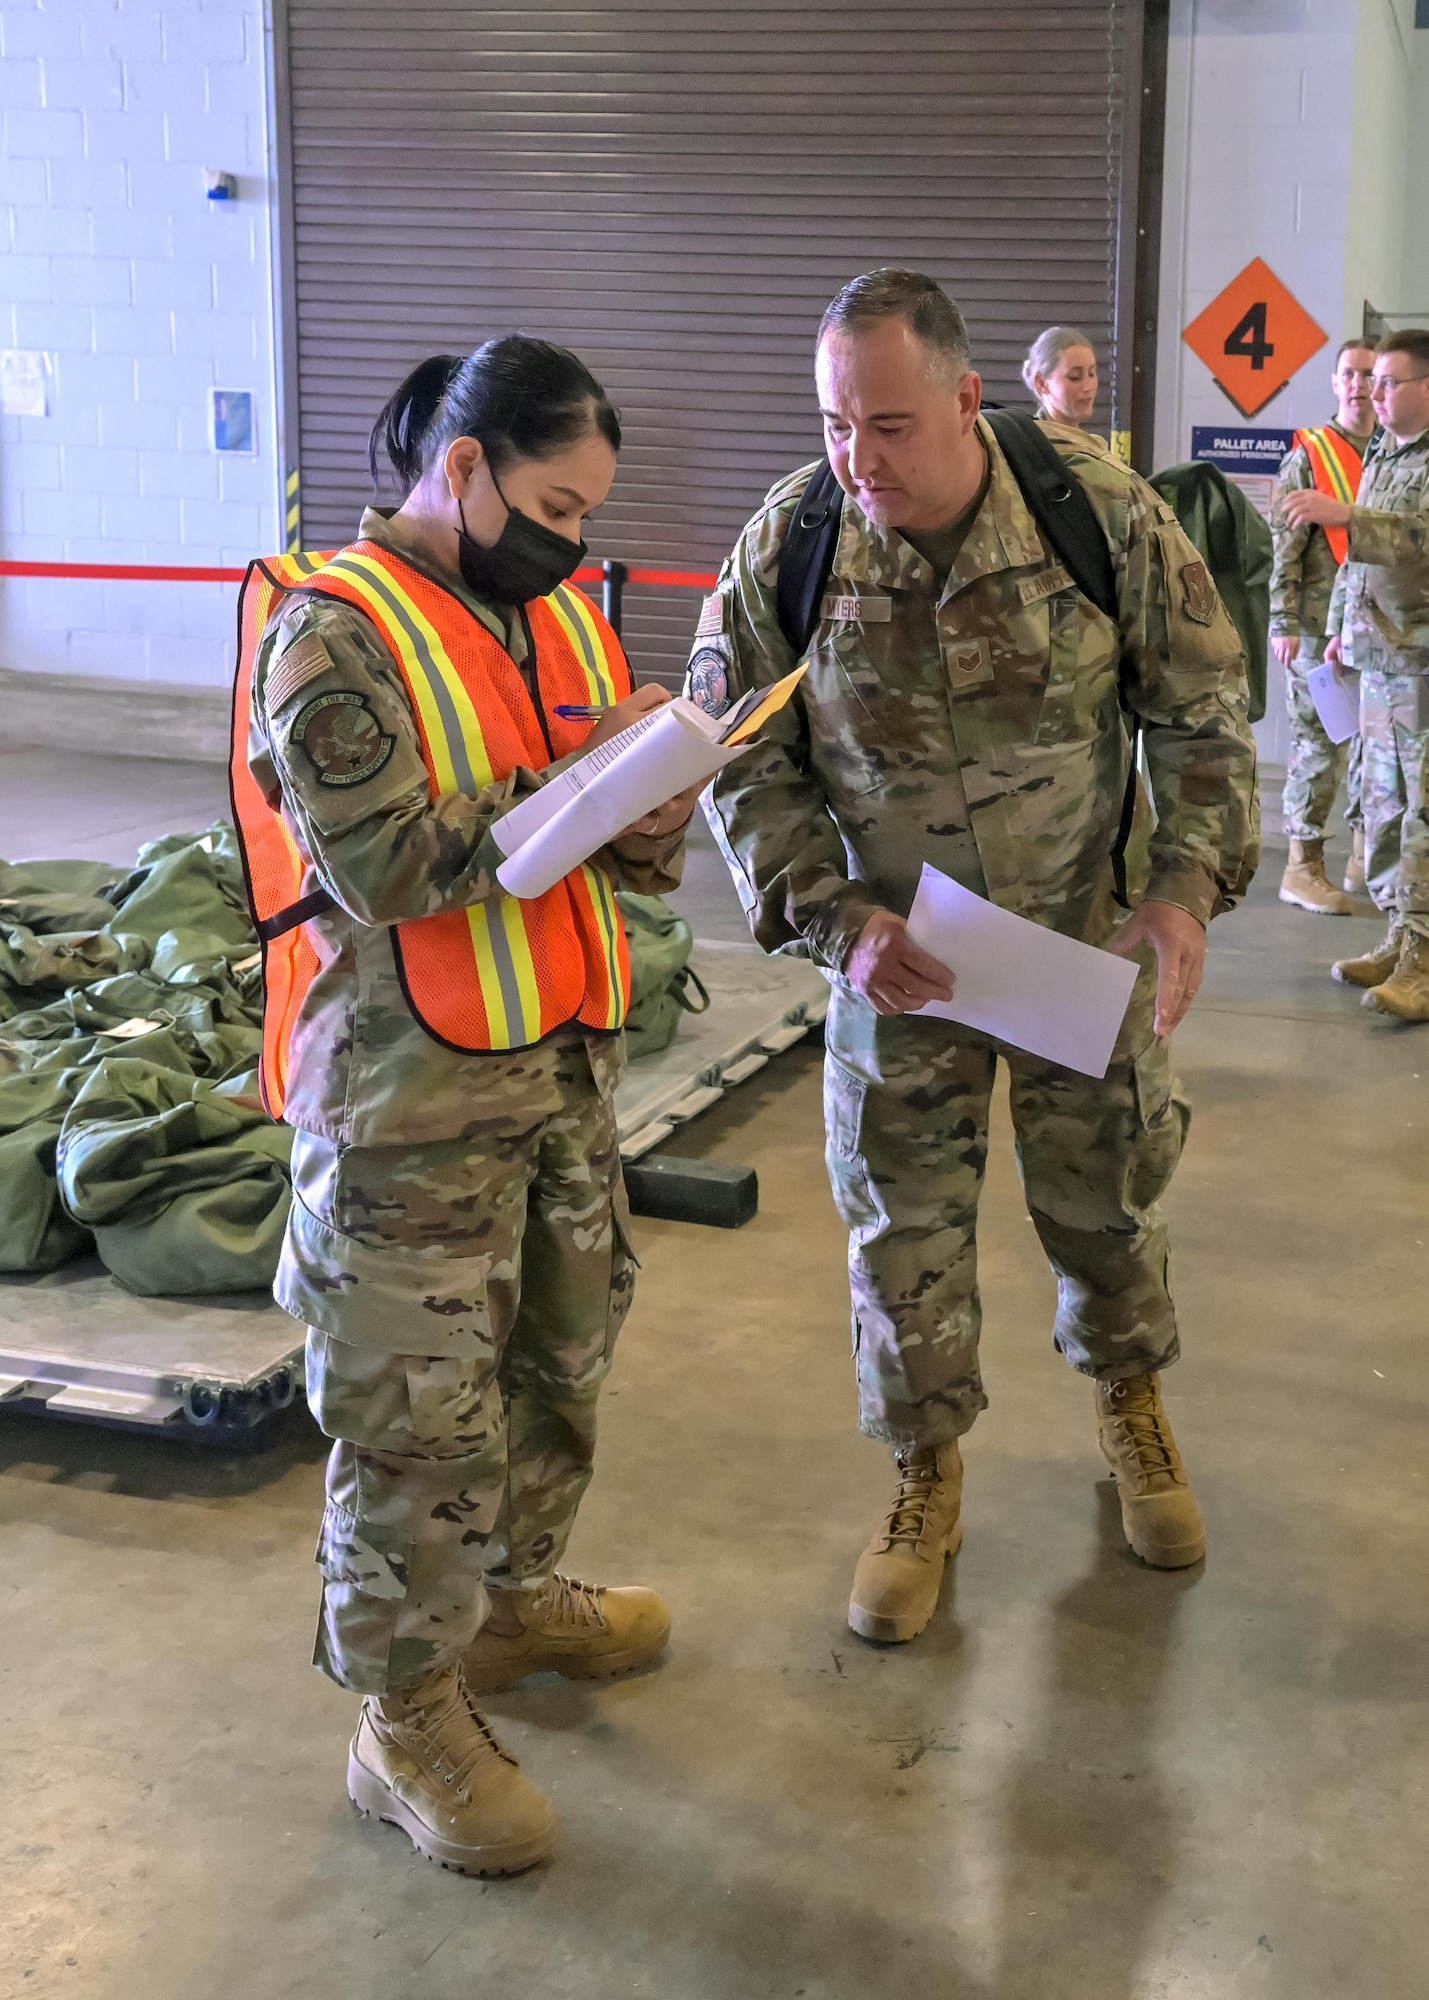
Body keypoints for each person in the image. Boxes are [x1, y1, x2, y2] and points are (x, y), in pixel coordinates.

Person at [691, 270, 1256, 1646]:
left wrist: (1182, 889)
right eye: (833, 423)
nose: (855, 457)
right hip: (899, 968)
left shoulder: (1092, 509)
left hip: (1079, 947)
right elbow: (733, 754)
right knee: (903, 1239)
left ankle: (1132, 1409)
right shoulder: (796, 539)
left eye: (887, 425)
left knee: (1107, 1207)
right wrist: (831, 915)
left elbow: (1200, 709)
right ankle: (921, 1474)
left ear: (961, 398)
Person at [240, 337, 697, 1876]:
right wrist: (582, 776)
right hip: (405, 1118)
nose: (574, 538)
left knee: (556, 1366)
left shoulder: (546, 612)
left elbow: (610, 858)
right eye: (554, 501)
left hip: (555, 1081)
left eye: (588, 512)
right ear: (461, 467)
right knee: (415, 1425)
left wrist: (653, 791)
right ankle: (402, 1713)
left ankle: (502, 1609)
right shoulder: (329, 636)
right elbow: (386, 869)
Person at [1285, 329, 1429, 1019]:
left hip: (1420, 665)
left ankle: (1424, 963)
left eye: (1390, 382)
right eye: (1372, 382)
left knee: (1424, 816)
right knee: (1384, 809)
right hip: (1375, 661)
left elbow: (1415, 536)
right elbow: (1353, 561)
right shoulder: (1381, 448)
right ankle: (1399, 939)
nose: (1374, 393)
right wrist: (1341, 625)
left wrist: (1346, 513)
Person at [1269, 340, 1378, 912]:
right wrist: (1283, 619)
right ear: (1335, 383)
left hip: (1376, 627)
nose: (1360, 384)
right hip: (1314, 627)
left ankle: (1363, 856)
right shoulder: (1312, 453)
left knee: (1370, 747)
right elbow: (1284, 546)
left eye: (1369, 374)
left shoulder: (1393, 449)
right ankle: (1301, 865)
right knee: (1319, 746)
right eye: (1350, 374)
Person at [1021, 325, 1099, 431]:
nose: (1088, 387)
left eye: (1091, 374)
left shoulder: (1090, 444)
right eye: (1074, 377)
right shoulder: (1031, 443)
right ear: (1042, 383)